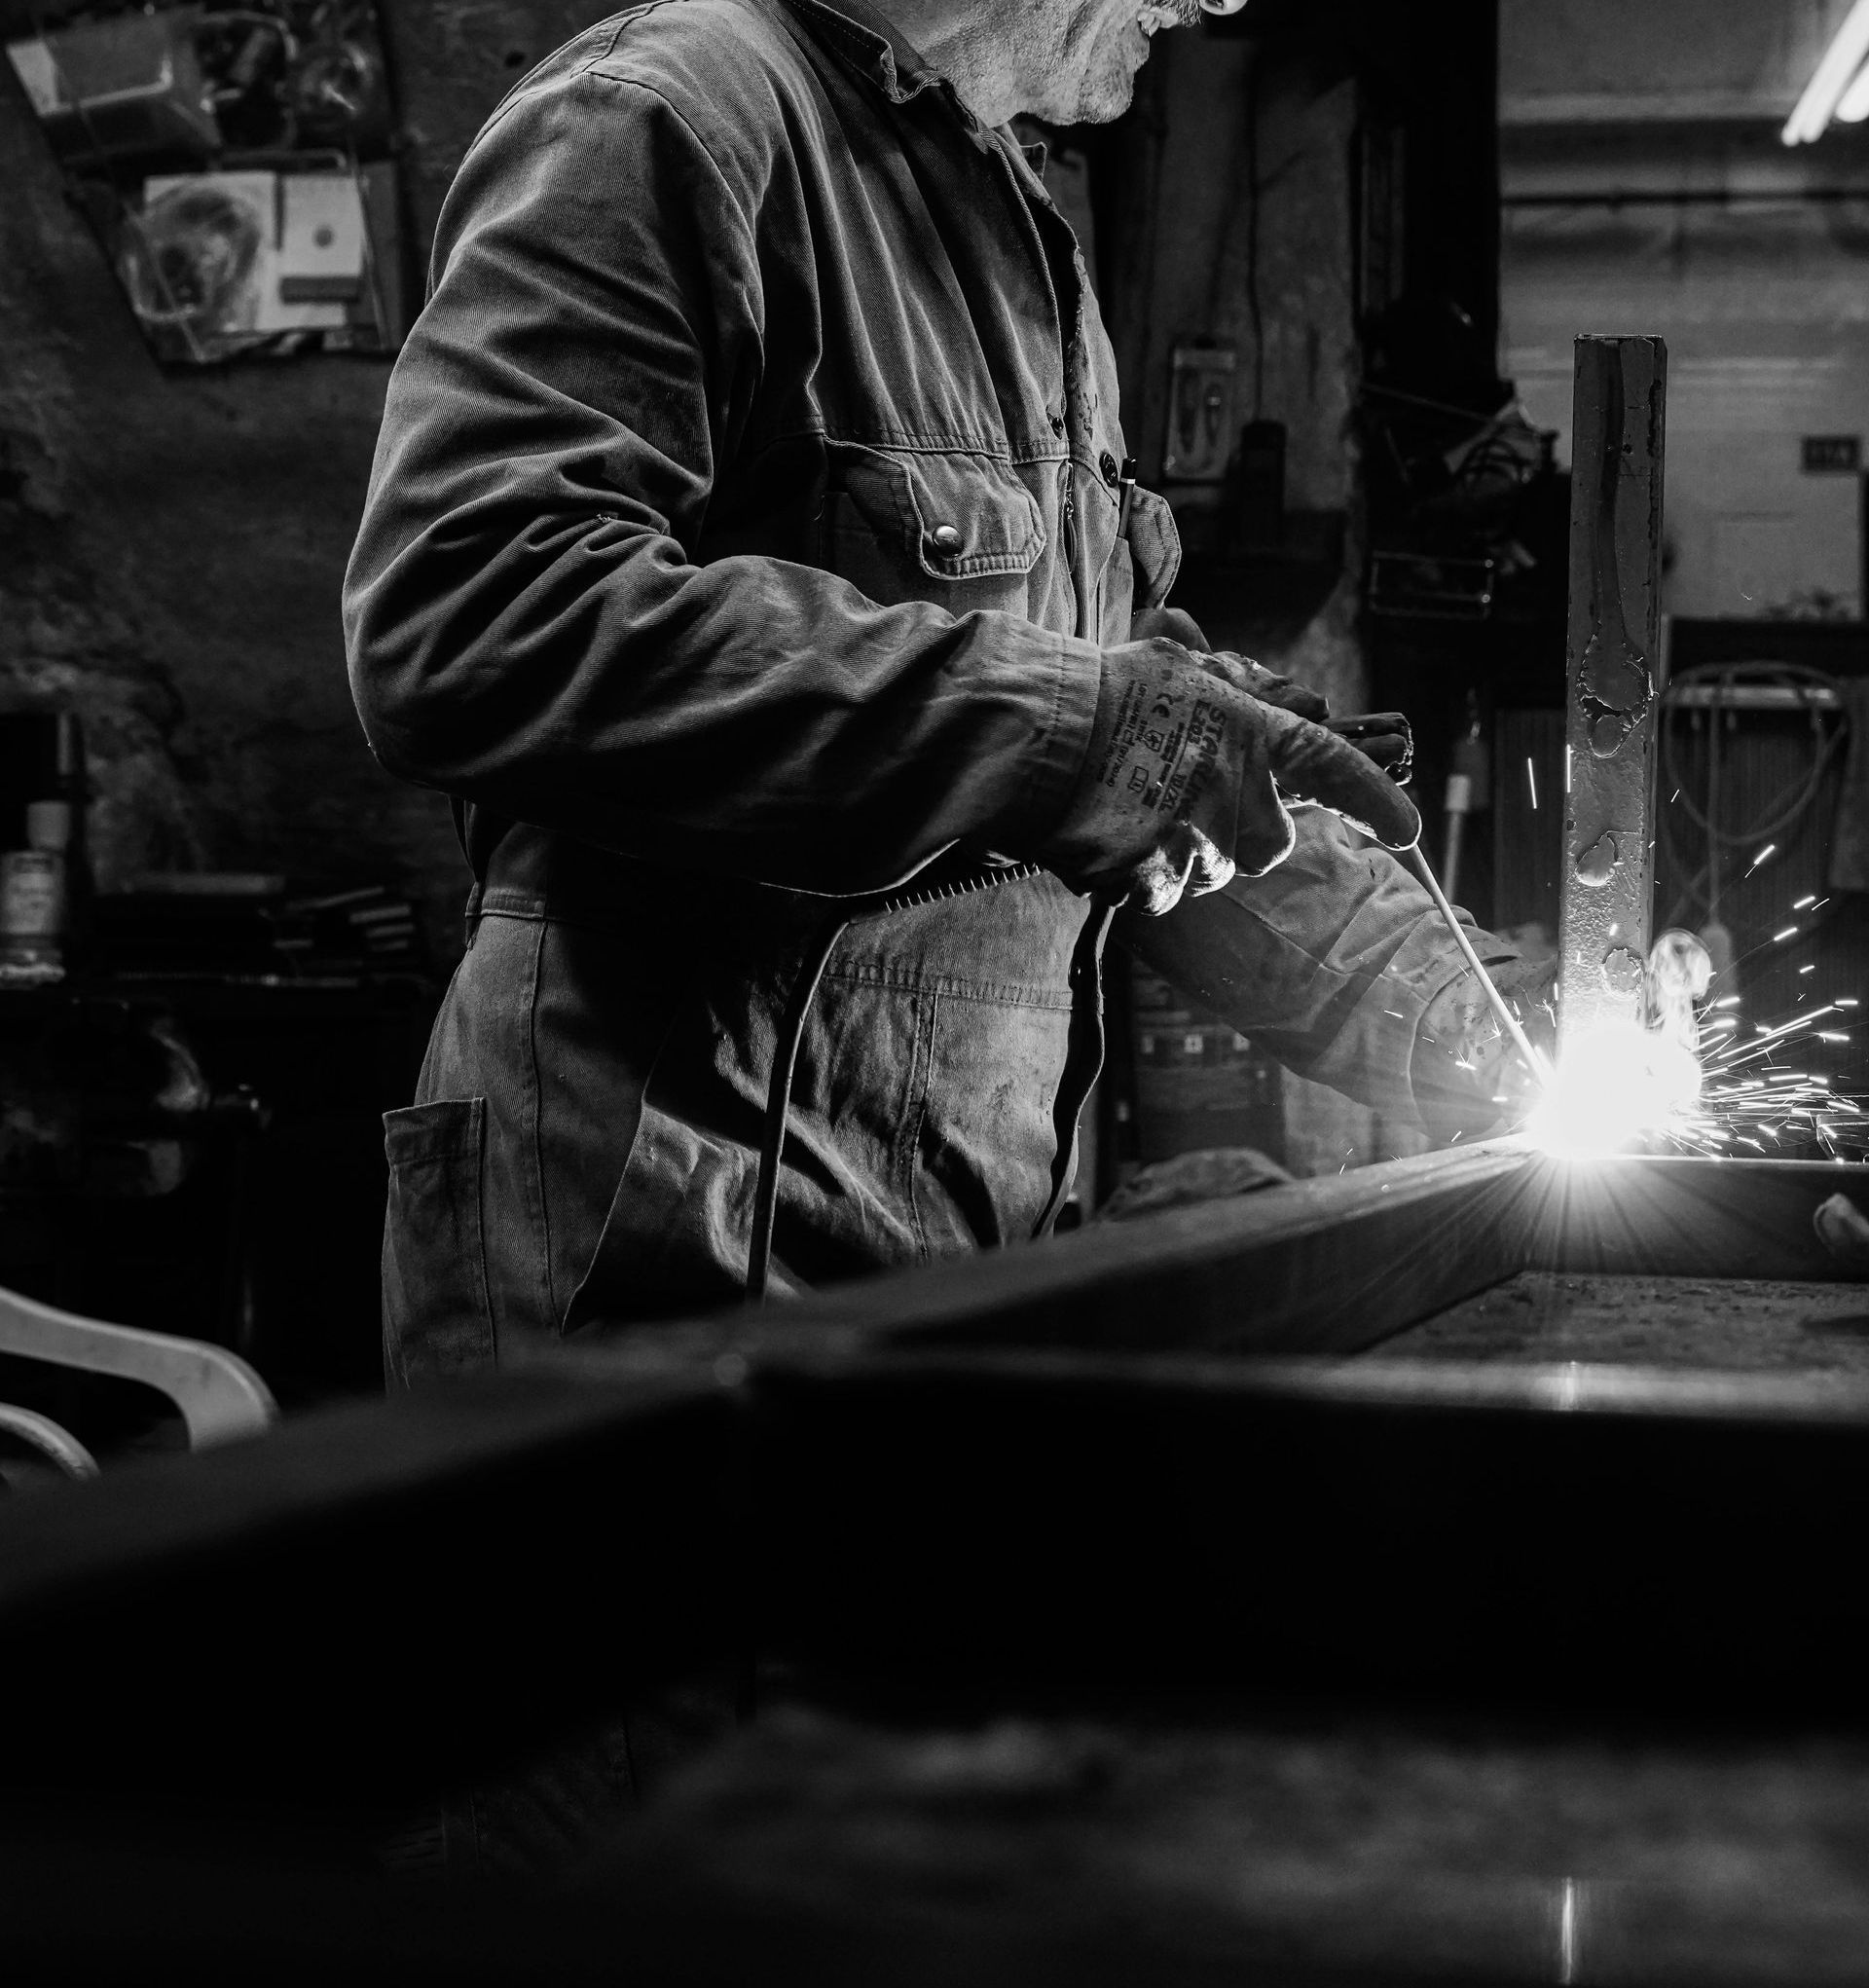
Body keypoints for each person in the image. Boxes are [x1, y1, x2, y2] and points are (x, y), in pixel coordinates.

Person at [344, 0, 1549, 1384]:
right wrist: (1074, 735)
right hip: (652, 1274)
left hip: (945, 1277)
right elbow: (473, 610)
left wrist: (1482, 1021)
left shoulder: (1012, 229)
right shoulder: (667, 116)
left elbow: (1160, 752)